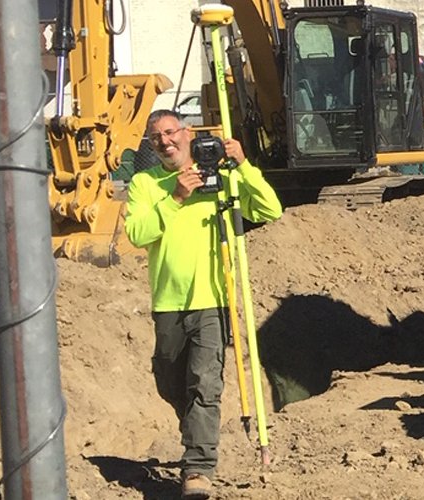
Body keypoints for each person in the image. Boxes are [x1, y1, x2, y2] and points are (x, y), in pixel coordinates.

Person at [125, 109, 283, 499]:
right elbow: (136, 233)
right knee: (170, 381)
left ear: (187, 133)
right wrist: (177, 196)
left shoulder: (223, 177)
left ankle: (198, 468)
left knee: (204, 384)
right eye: (156, 137)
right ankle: (195, 429)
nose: (165, 142)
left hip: (213, 299)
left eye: (170, 132)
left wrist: (244, 167)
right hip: (168, 303)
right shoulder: (145, 184)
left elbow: (269, 210)